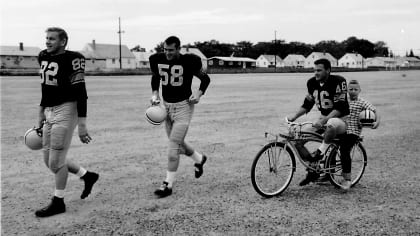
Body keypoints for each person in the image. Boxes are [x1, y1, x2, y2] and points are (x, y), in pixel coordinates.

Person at [35, 27, 99, 217]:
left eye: (52, 39)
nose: (47, 42)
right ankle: (87, 176)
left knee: (56, 162)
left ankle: (58, 202)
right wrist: (40, 111)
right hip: (49, 110)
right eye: (46, 38)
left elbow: (81, 91)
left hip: (66, 109)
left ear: (63, 41)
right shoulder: (43, 56)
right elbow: (46, 88)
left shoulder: (74, 59)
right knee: (49, 160)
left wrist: (82, 123)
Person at [149, 36, 211, 198]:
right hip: (167, 106)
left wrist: (198, 94)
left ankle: (167, 185)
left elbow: (205, 78)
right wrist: (155, 93)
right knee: (177, 143)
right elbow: (156, 76)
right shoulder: (158, 59)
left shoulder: (189, 61)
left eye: (171, 50)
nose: (167, 53)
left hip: (183, 107)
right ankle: (199, 159)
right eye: (165, 49)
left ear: (178, 49)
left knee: (173, 148)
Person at [287, 58, 349, 186]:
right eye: (314, 70)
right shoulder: (311, 83)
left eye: (319, 70)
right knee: (298, 141)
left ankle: (320, 153)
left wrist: (324, 121)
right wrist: (293, 117)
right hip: (324, 118)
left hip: (341, 119)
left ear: (328, 70)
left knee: (331, 123)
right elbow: (307, 104)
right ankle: (314, 167)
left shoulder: (338, 81)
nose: (316, 73)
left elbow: (340, 107)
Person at [338, 79, 380, 190]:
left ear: (359, 90)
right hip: (341, 129)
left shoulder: (362, 102)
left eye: (355, 89)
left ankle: (347, 179)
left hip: (353, 132)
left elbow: (375, 111)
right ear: (347, 90)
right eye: (350, 89)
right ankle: (328, 174)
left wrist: (377, 122)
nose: (353, 91)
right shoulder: (343, 100)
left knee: (344, 150)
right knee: (329, 145)